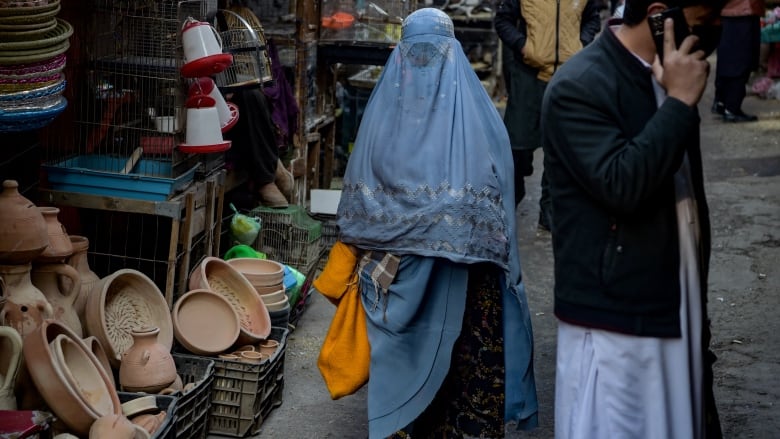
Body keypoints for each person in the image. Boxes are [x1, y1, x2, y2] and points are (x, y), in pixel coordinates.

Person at [335, 8, 538, 438]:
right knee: (466, 384)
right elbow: (498, 207)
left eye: (429, 55)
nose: (424, 65)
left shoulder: (384, 122)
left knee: (418, 370)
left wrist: (407, 224)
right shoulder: (481, 123)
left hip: (417, 282)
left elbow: (361, 210)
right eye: (419, 55)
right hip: (469, 281)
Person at [541, 1, 725, 437]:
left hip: (669, 303)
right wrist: (679, 103)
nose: (713, 32)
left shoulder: (665, 75)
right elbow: (623, 186)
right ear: (661, 14)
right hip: (616, 322)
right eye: (705, 20)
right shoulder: (580, 86)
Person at [494, 0, 602, 231]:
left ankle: (550, 212)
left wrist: (580, 44)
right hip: (528, 75)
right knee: (517, 147)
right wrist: (524, 47)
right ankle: (509, 200)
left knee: (560, 149)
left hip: (567, 76)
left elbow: (593, 17)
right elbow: (502, 21)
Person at [712, 0, 764, 122]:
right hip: (743, 11)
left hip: (727, 11)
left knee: (727, 59)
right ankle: (731, 108)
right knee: (741, 60)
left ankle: (721, 102)